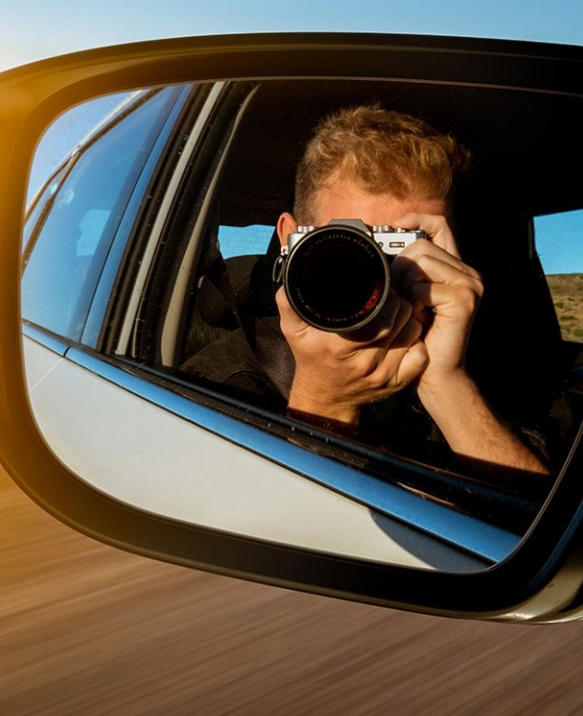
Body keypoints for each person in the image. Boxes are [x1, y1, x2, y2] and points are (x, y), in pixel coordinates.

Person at [182, 104, 557, 475]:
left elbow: (539, 508)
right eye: (352, 246)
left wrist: (446, 384)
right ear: (290, 239)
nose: (377, 275)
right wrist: (323, 402)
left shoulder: (482, 361)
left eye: (403, 247)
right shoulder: (221, 384)